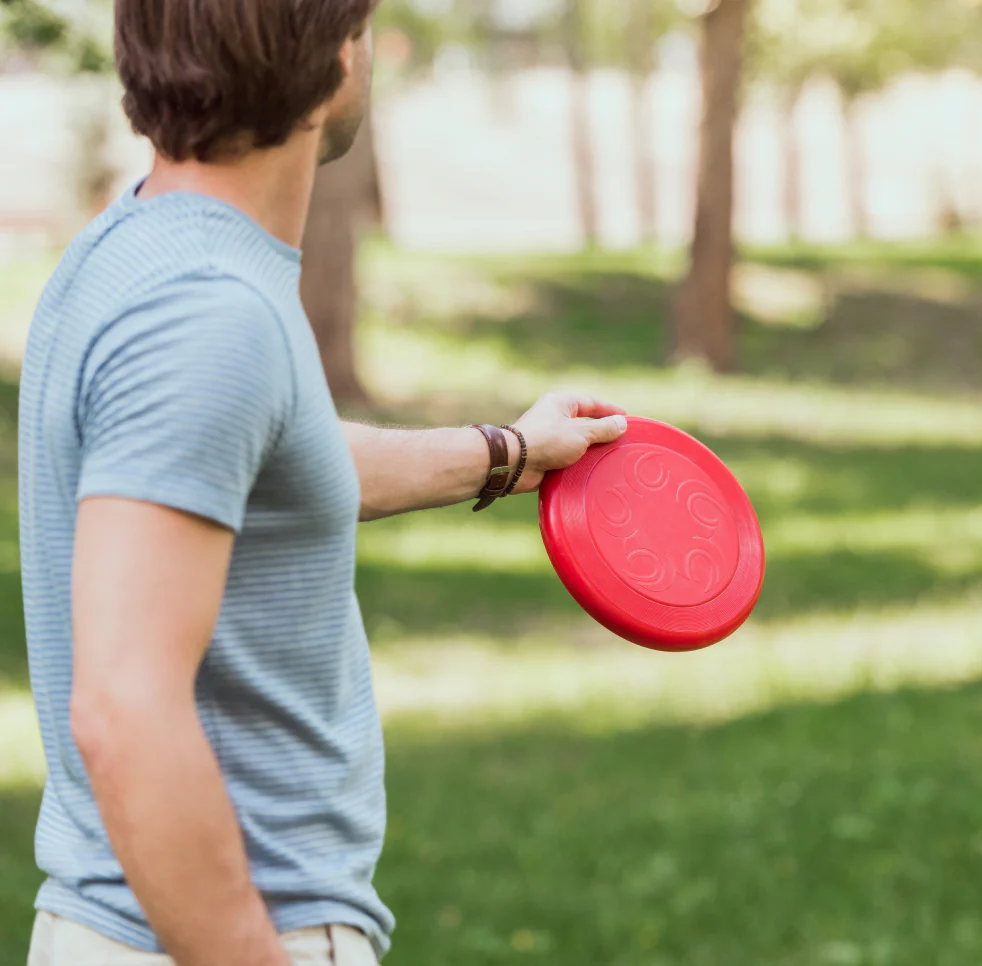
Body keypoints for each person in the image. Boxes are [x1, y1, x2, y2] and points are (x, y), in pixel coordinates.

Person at [19, 2, 627, 964]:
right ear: (339, 60)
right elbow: (124, 710)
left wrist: (509, 452)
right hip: (213, 933)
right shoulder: (208, 318)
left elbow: (265, 459)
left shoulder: (137, 246)